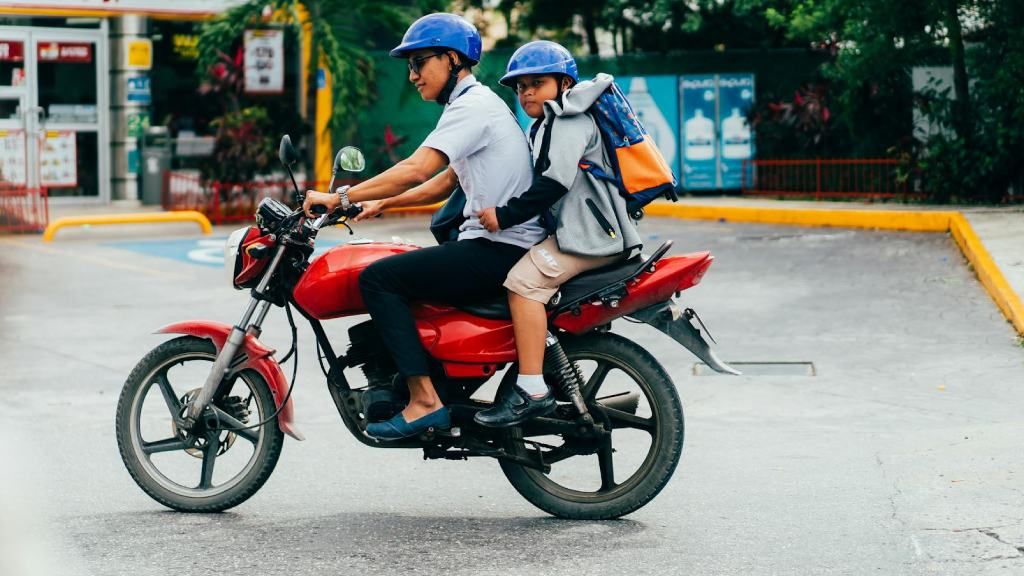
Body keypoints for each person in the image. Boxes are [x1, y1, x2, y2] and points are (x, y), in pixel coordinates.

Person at [302, 13, 545, 440]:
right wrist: (382, 202)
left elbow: (418, 168)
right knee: (401, 269)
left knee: (379, 279)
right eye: (409, 66)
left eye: (420, 62)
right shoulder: (474, 104)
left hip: (499, 249)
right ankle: (423, 381)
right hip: (497, 245)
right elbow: (445, 181)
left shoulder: (473, 106)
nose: (413, 75)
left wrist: (340, 197)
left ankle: (424, 401)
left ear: (452, 59)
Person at [473, 41, 643, 427]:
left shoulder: (570, 119)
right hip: (583, 232)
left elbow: (554, 183)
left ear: (564, 83)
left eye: (538, 82)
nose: (527, 91)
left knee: (522, 284)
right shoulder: (547, 122)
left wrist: (505, 215)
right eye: (520, 86)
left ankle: (531, 388)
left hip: (594, 238)